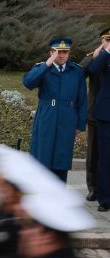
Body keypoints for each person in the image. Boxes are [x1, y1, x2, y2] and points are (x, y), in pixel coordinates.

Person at [23, 37, 87, 182]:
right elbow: (28, 83)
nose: (62, 55)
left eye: (65, 52)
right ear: (51, 52)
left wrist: (80, 123)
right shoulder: (43, 68)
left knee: (62, 157)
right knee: (43, 155)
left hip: (67, 116)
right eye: (58, 52)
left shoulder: (76, 71)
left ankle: (59, 193)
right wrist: (46, 65)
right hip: (47, 116)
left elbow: (82, 98)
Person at [81, 28, 109, 203]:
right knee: (94, 153)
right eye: (106, 39)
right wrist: (94, 56)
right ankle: (93, 188)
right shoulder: (96, 55)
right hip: (95, 112)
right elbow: (82, 72)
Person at [88, 30, 110, 212]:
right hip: (106, 114)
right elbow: (93, 70)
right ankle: (104, 199)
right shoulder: (104, 56)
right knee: (104, 158)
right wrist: (106, 52)